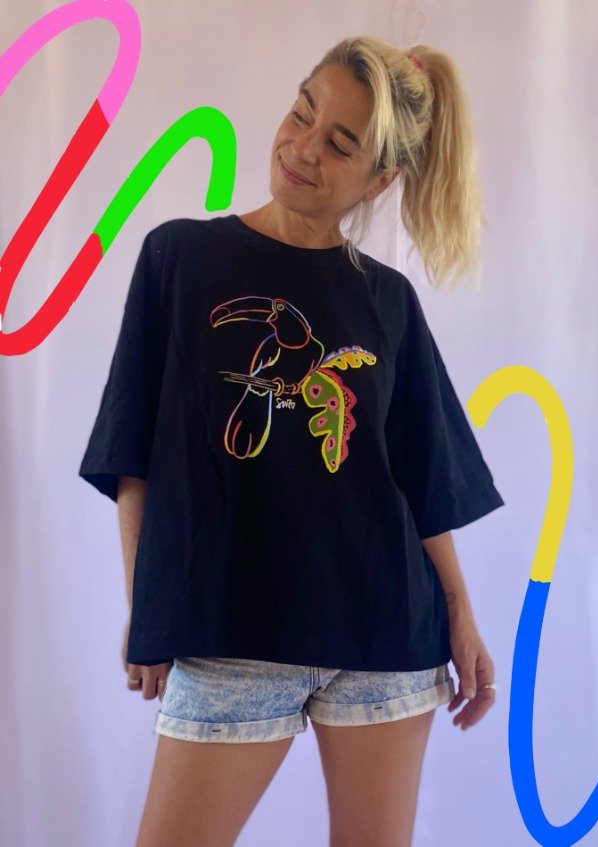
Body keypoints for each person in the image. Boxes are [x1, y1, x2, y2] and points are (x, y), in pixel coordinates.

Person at [79, 36, 505, 847]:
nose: (303, 148)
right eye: (302, 113)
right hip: (229, 632)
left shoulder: (388, 302)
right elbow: (132, 454)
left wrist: (462, 614)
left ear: (380, 179)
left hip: (383, 637)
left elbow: (423, 478)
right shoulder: (178, 257)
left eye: (340, 144)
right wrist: (148, 611)